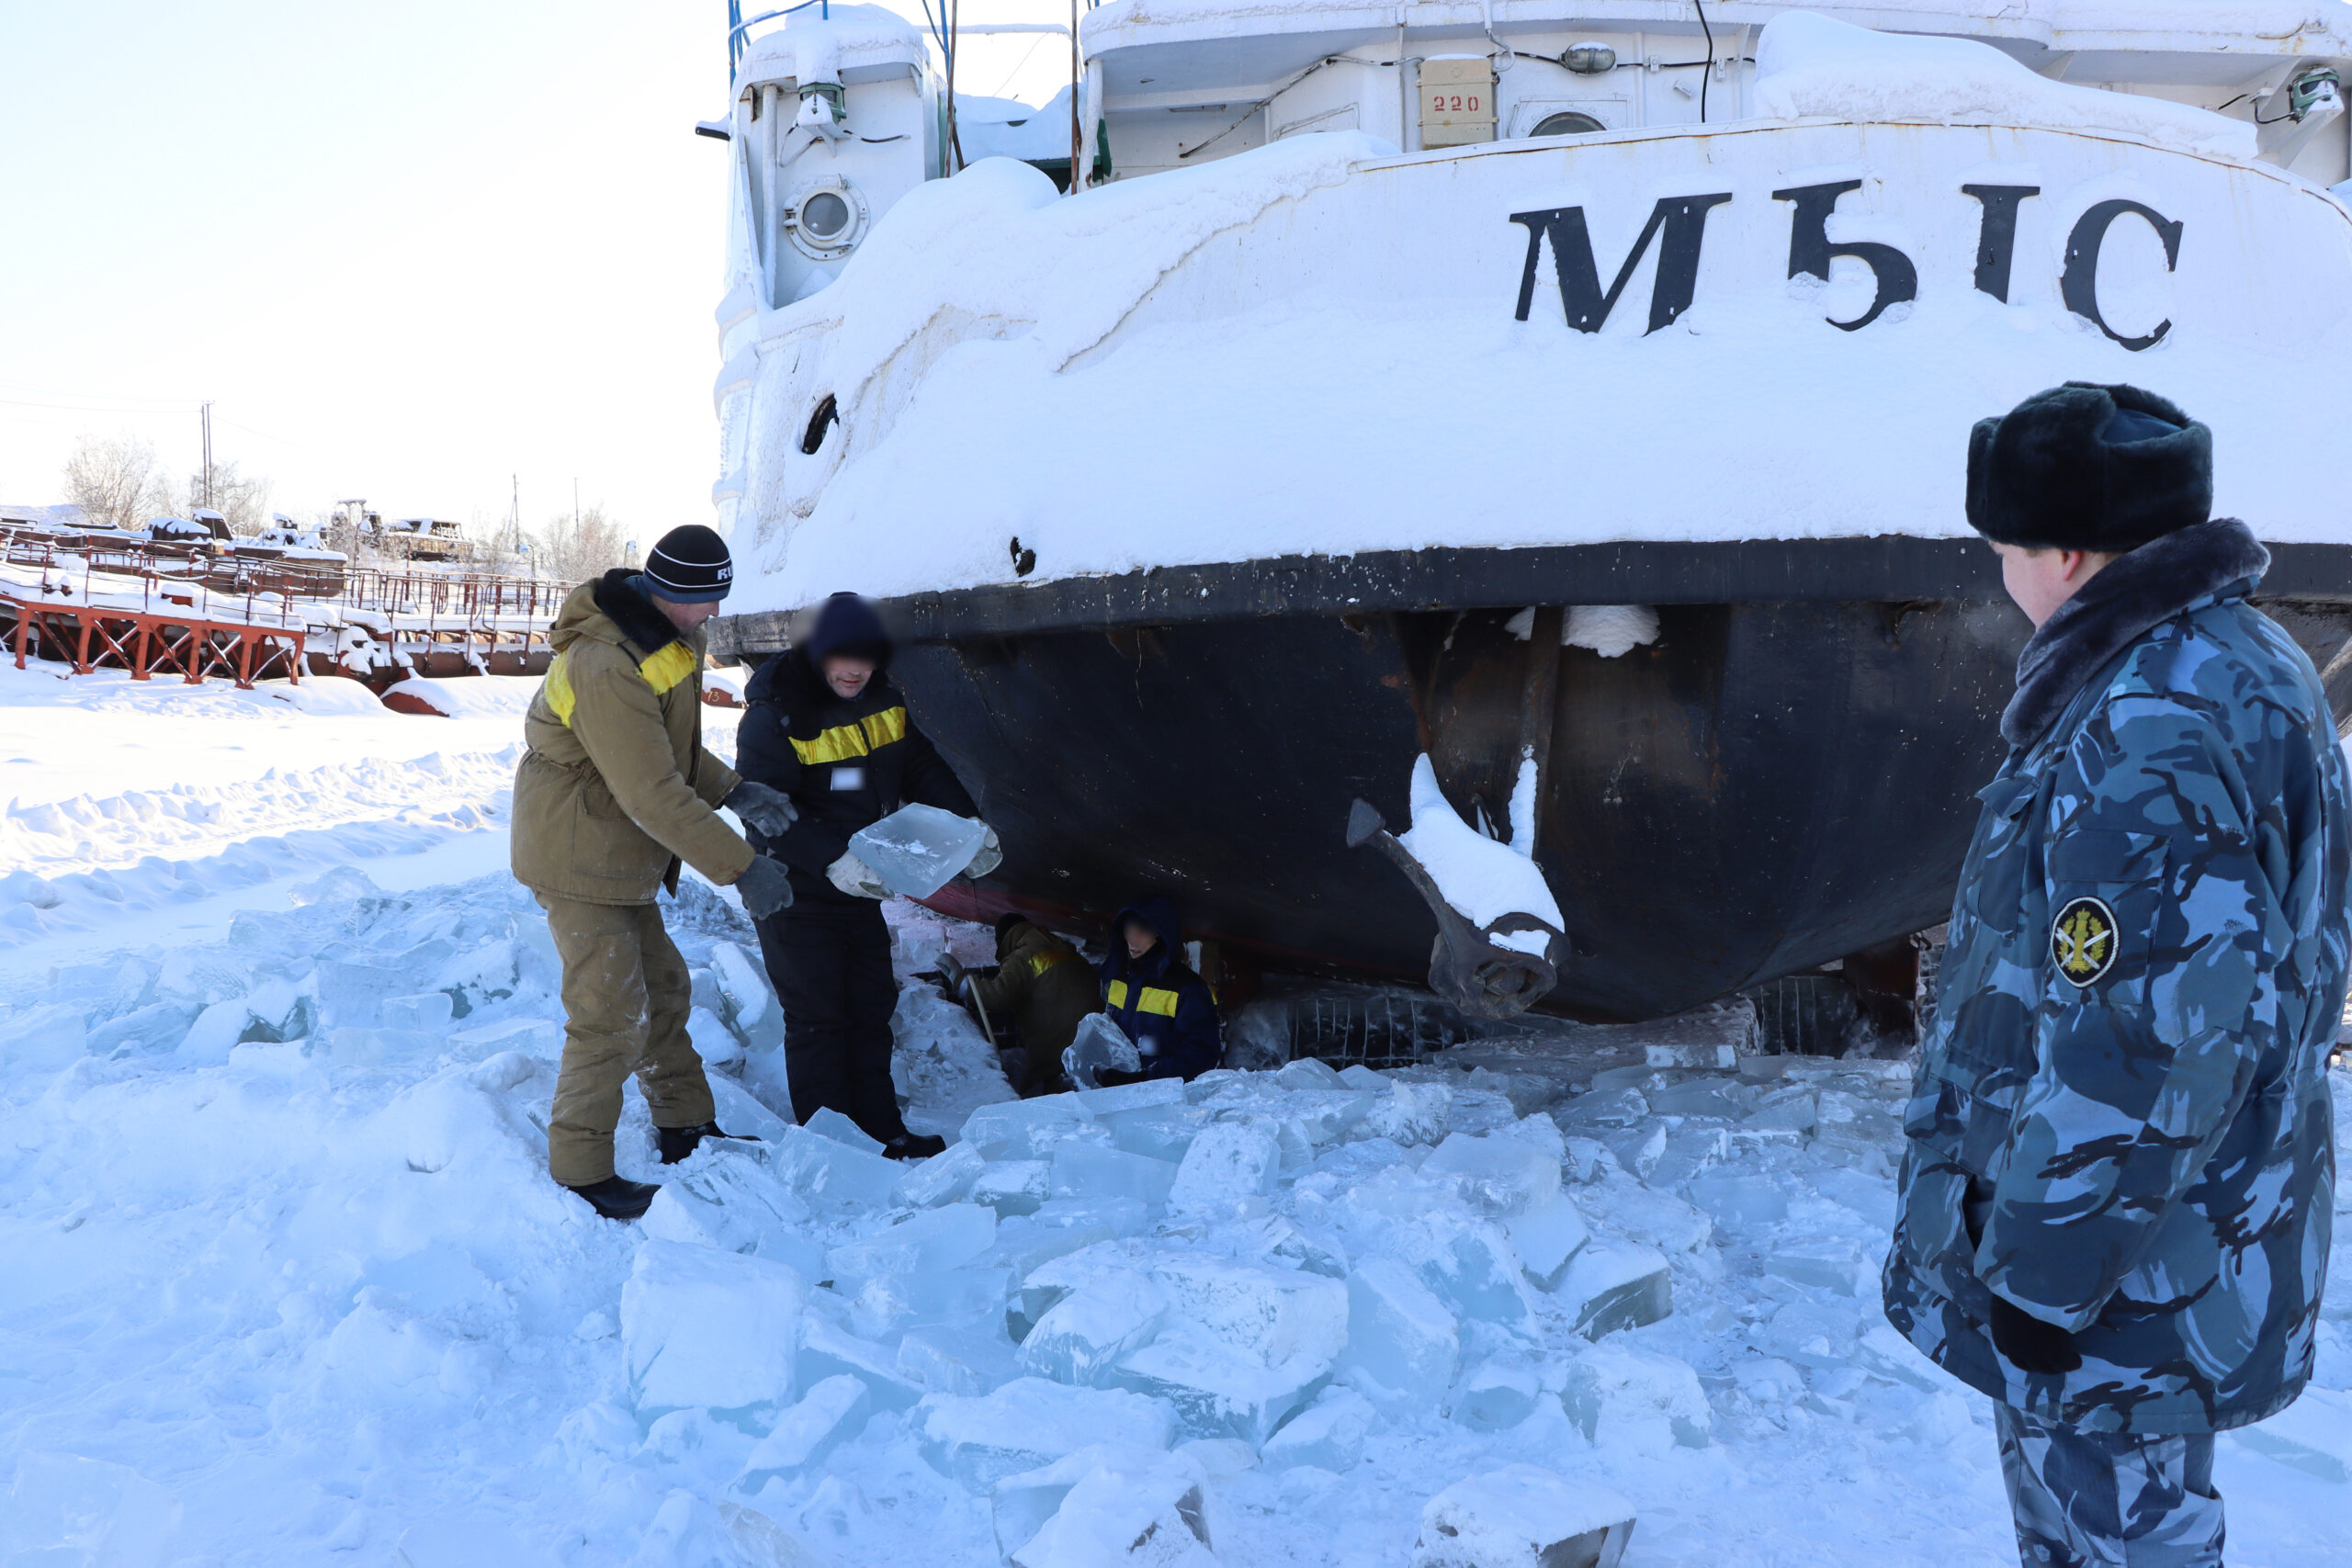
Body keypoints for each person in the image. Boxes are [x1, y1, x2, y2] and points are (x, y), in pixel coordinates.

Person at [1883, 382, 2350, 1568]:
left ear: (2074, 553)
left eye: (2008, 549)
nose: (1999, 574)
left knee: (2117, 1538)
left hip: (2109, 1295)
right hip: (2186, 1235)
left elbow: (2149, 1046)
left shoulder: (2145, 727)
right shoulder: (2251, 662)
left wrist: (2041, 1280)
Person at [512, 525, 801, 1221]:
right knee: (609, 1011)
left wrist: (733, 789)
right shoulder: (606, 661)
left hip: (617, 845)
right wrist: (743, 869)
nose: (714, 616)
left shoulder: (672, 638)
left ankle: (685, 1126)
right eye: (706, 602)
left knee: (664, 991)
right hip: (578, 846)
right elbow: (649, 790)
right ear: (669, 592)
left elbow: (664, 749)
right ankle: (581, 1170)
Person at [734, 592, 1000, 1158]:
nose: (855, 670)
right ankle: (833, 1145)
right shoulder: (775, 715)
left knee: (870, 1007)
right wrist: (832, 859)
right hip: (793, 889)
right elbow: (764, 811)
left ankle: (883, 1130)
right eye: (843, 657)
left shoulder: (883, 702)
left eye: (866, 657)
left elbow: (921, 767)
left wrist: (965, 825)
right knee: (819, 1018)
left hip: (860, 885)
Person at [941, 914, 1097, 1096]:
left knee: (1054, 1099)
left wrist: (961, 981)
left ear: (1004, 938)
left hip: (1057, 1046)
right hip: (1089, 1038)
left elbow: (997, 995)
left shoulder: (1023, 957)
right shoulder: (1061, 946)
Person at [1093, 897, 1224, 1084]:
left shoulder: (1188, 989)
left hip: (1162, 1101)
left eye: (1143, 931)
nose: (1133, 939)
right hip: (1117, 1090)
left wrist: (1146, 1078)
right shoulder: (1119, 977)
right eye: (1128, 929)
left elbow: (1201, 1054)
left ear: (1162, 934)